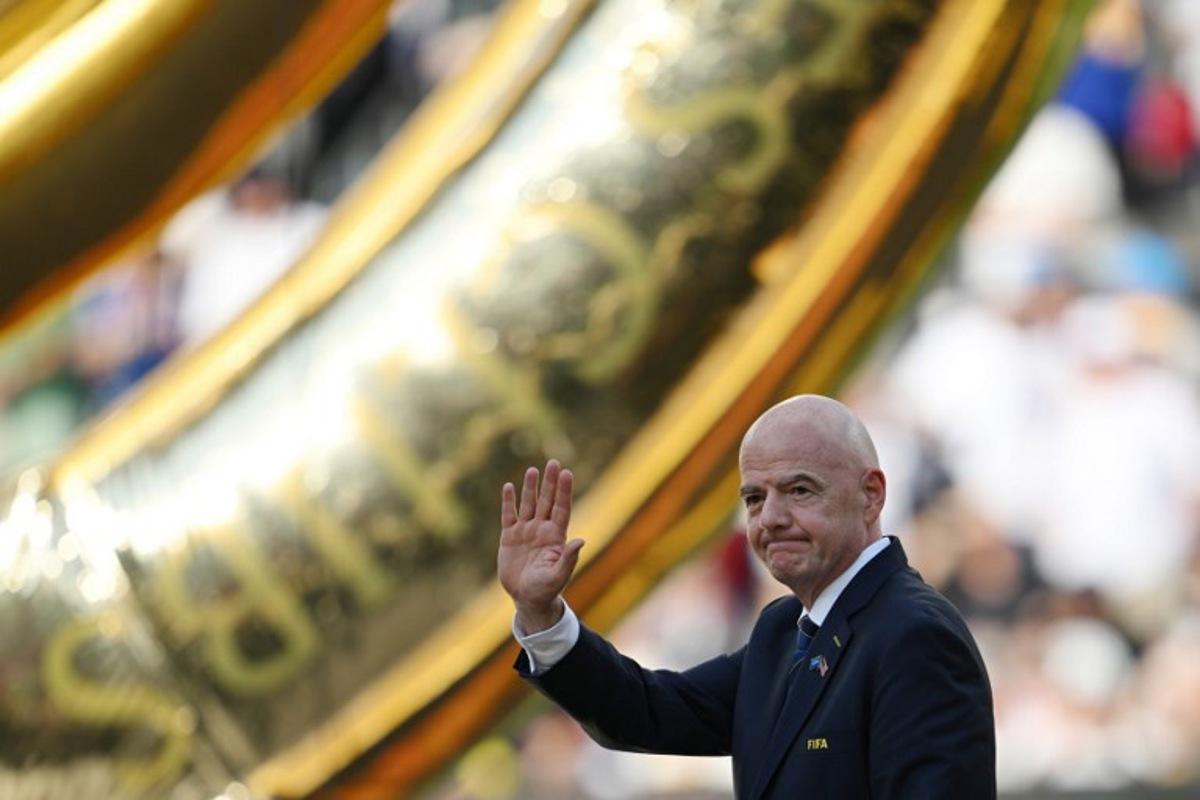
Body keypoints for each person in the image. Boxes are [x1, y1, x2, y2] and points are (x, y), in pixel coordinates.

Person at [498, 394, 996, 798]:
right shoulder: (784, 631)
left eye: (799, 490)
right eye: (755, 498)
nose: (771, 518)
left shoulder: (913, 635)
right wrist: (542, 614)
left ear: (871, 494)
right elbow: (646, 711)